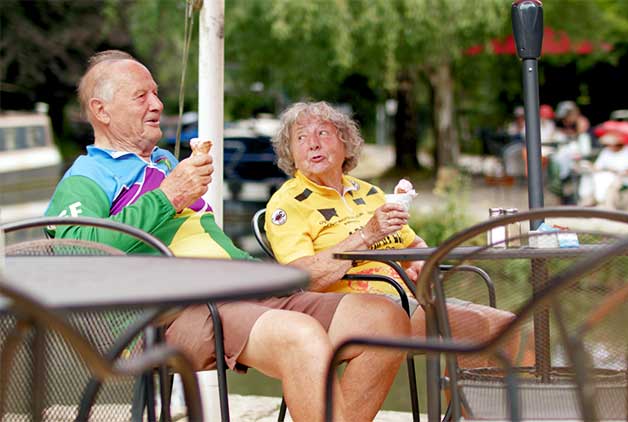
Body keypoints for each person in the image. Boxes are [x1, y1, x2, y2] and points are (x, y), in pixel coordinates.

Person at [44, 50, 409, 422]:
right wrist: (168, 197)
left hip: (238, 290)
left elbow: (209, 243)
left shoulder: (166, 164)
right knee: (300, 336)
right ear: (101, 110)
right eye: (141, 96)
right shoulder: (87, 176)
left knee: (384, 320)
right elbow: (76, 254)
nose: (157, 103)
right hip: (166, 314)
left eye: (156, 92)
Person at [265, 101, 533, 368]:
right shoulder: (288, 203)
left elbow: (411, 242)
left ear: (346, 143)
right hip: (350, 311)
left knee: (511, 325)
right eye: (301, 137)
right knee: (477, 328)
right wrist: (365, 236)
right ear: (291, 153)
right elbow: (300, 280)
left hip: (406, 298)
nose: (313, 143)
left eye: (322, 133)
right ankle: (467, 409)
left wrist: (419, 261)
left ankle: (472, 409)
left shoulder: (369, 193)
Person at [577, 133, 628, 208]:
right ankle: (588, 202)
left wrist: (616, 172)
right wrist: (588, 165)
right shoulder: (606, 151)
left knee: (611, 183)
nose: (610, 147)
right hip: (607, 176)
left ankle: (608, 206)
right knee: (590, 179)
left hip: (625, 178)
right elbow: (598, 167)